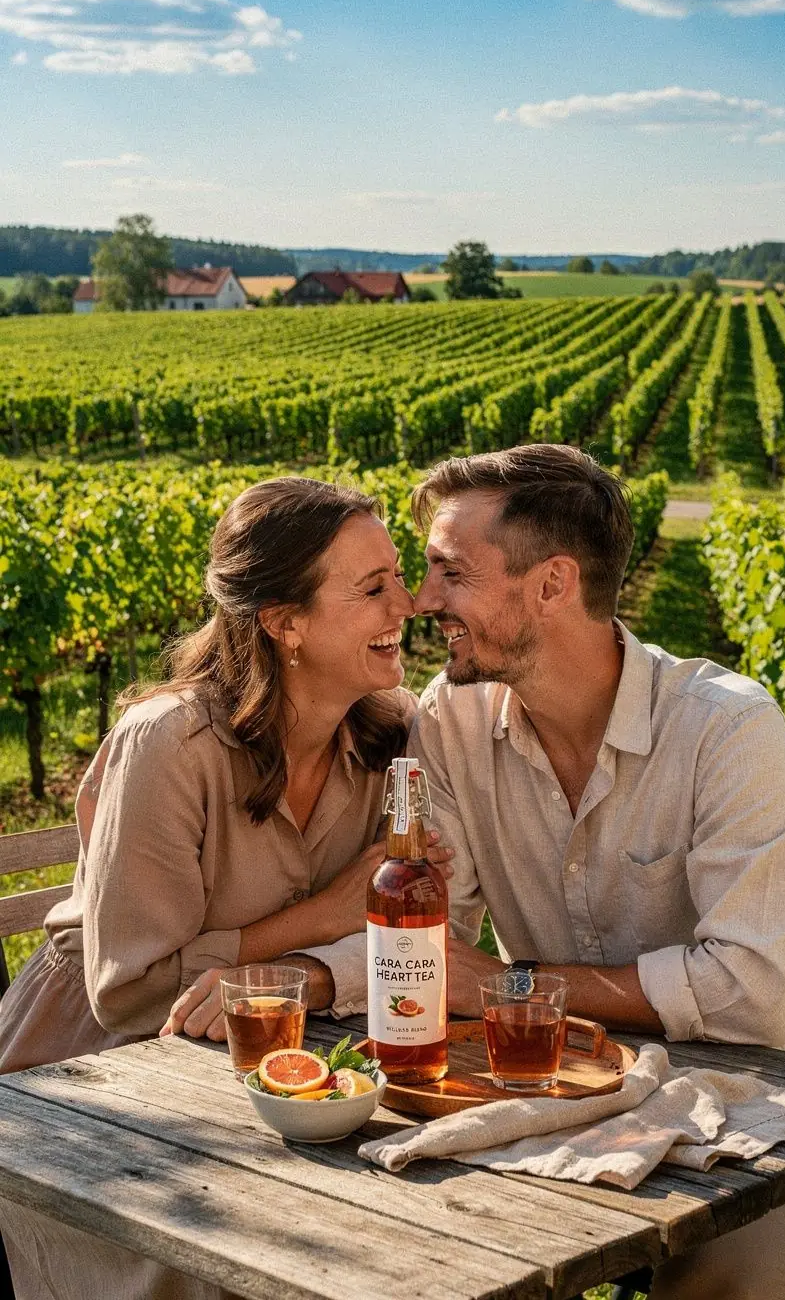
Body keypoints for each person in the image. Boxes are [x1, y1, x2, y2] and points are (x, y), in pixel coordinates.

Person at [318, 444, 785, 1300]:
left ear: (552, 585)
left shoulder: (726, 728)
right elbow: (433, 935)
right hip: (555, 1090)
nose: (421, 600)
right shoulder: (451, 719)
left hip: (759, 1111)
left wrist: (514, 985)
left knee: (730, 1278)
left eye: (450, 573)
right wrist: (298, 971)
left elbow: (751, 992)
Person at [0, 475, 452, 1300]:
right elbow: (130, 995)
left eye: (400, 575)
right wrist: (328, 918)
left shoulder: (392, 734)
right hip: (83, 1082)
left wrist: (307, 972)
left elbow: (426, 937)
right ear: (284, 622)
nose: (410, 603)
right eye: (374, 587)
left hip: (266, 1066)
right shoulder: (172, 744)